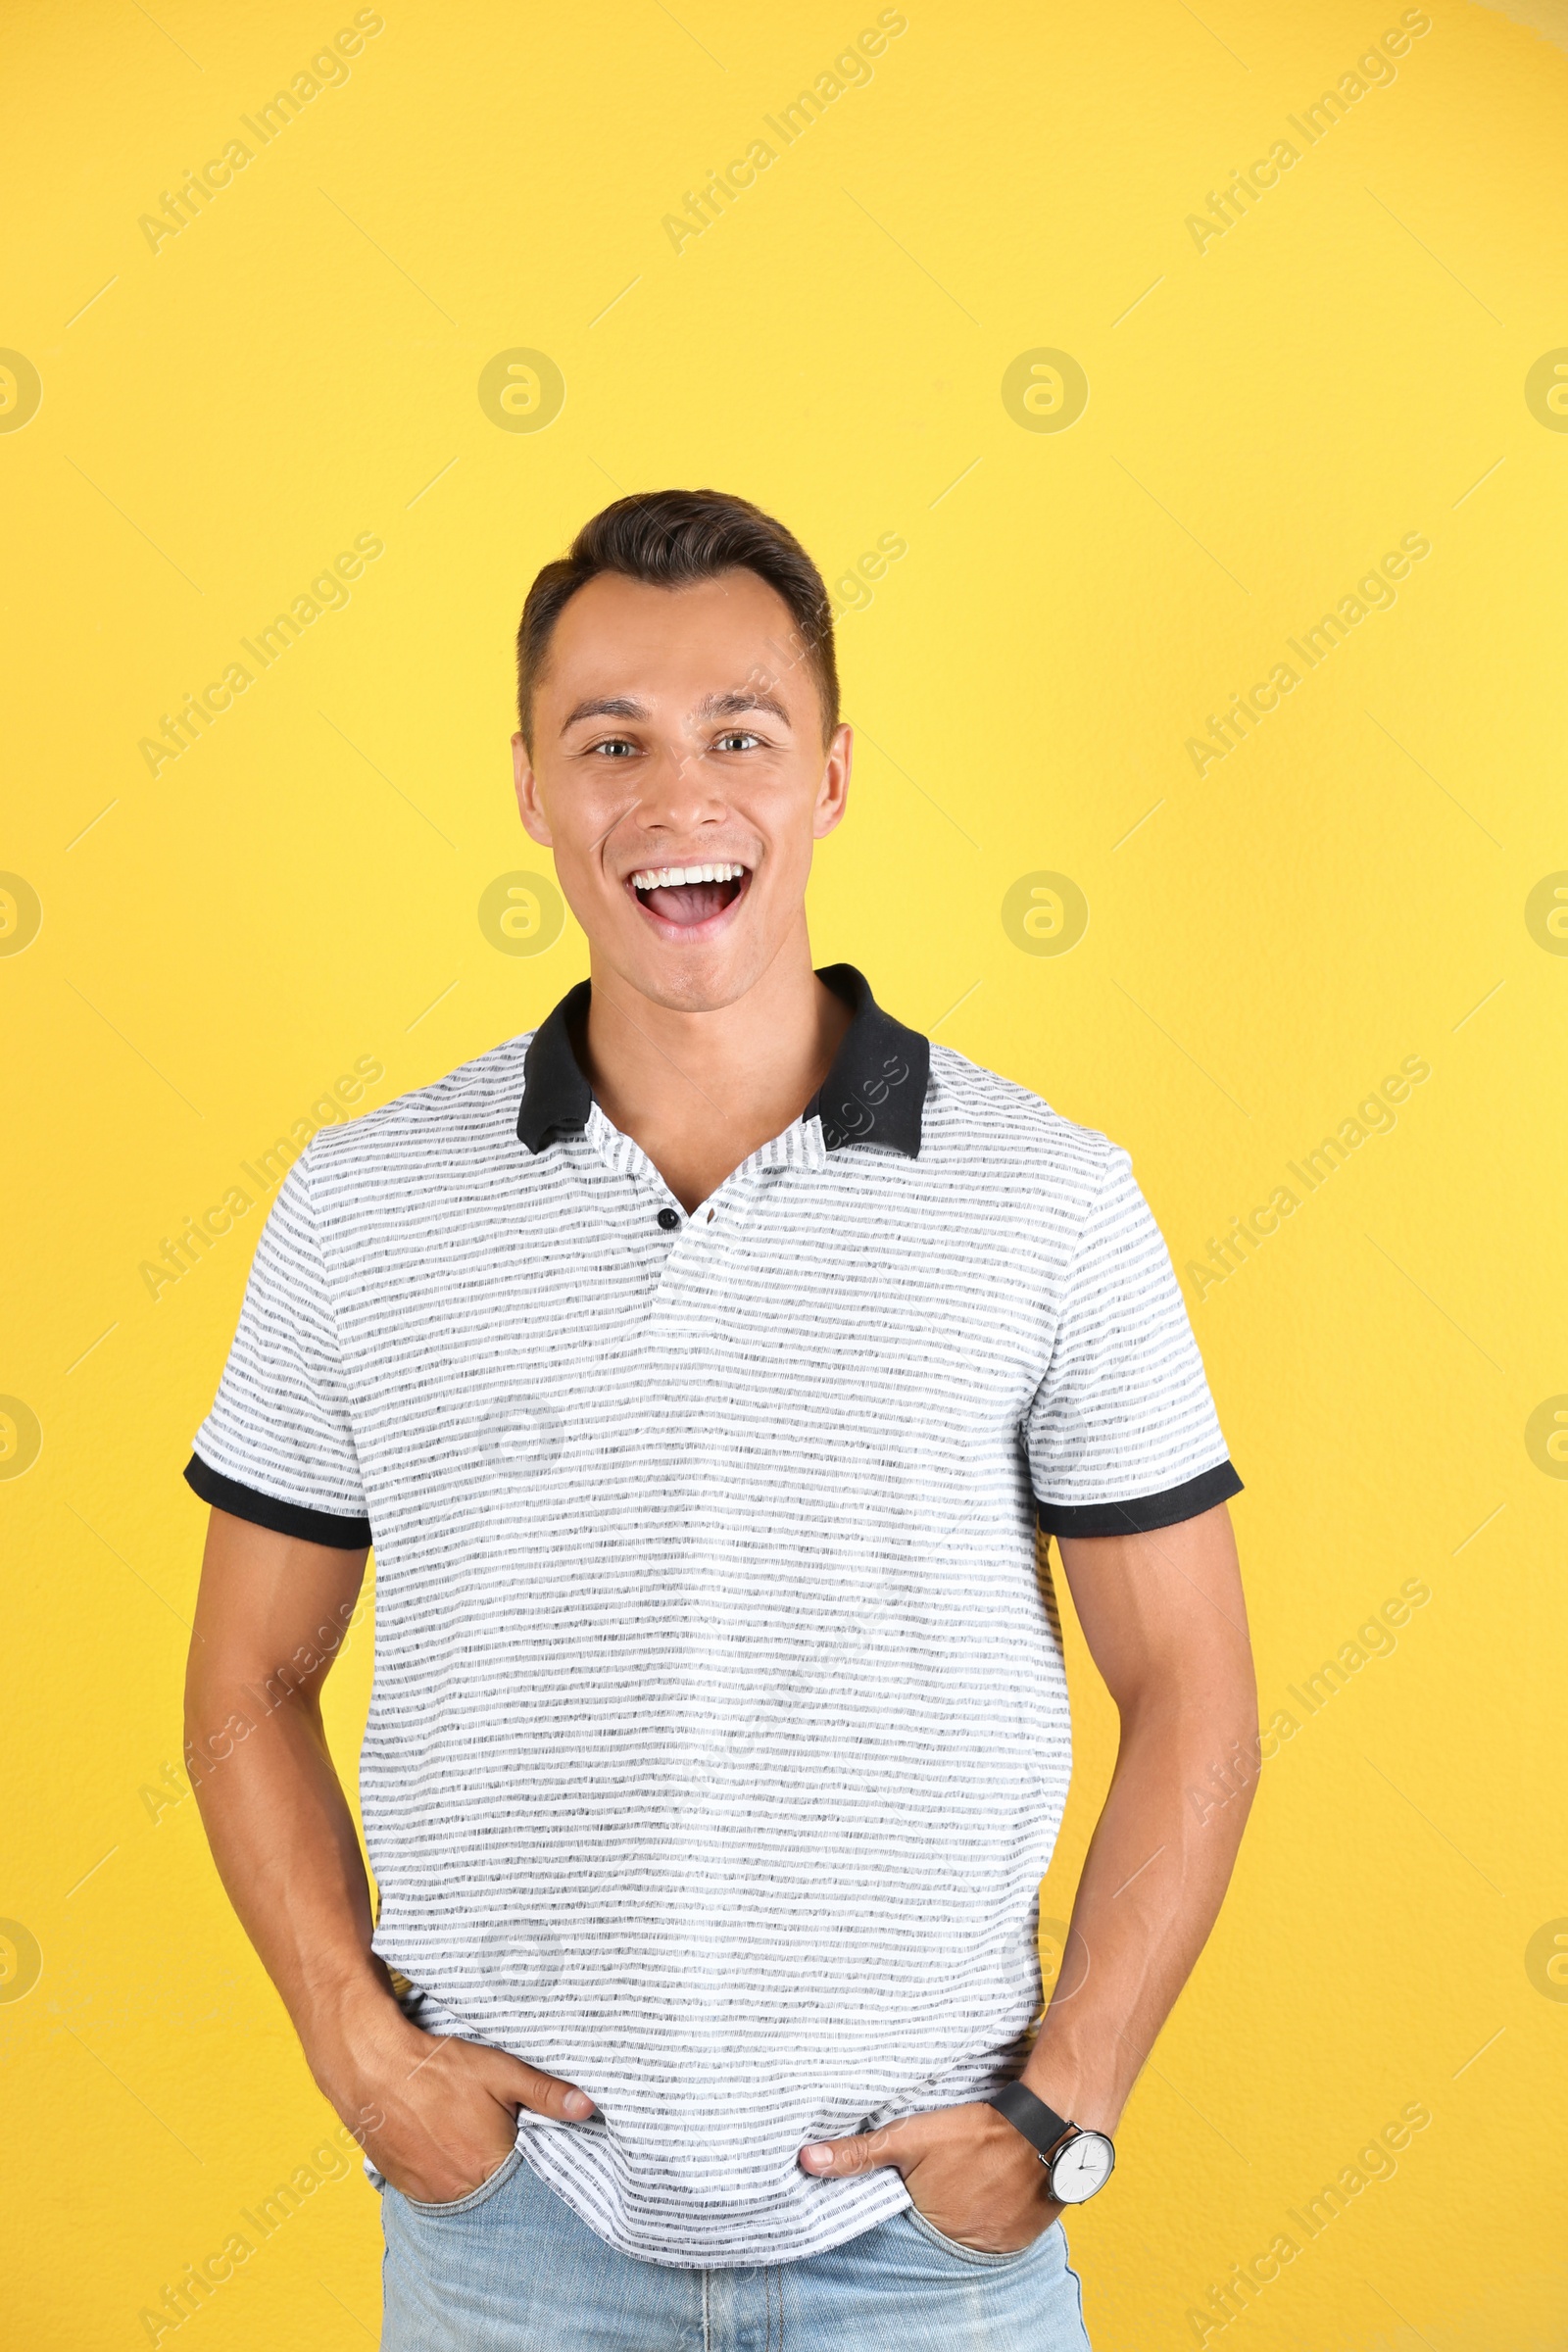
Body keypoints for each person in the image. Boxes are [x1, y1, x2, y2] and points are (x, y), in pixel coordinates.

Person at [183, 488, 1256, 2350]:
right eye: (613, 742)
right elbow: (239, 1683)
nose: (679, 798)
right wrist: (361, 2055)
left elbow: (1200, 1696)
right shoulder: (360, 1206)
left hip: (932, 2256)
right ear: (531, 785)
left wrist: (1060, 2111)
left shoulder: (1048, 1199)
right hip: (508, 2244)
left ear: (829, 775)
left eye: (738, 736)